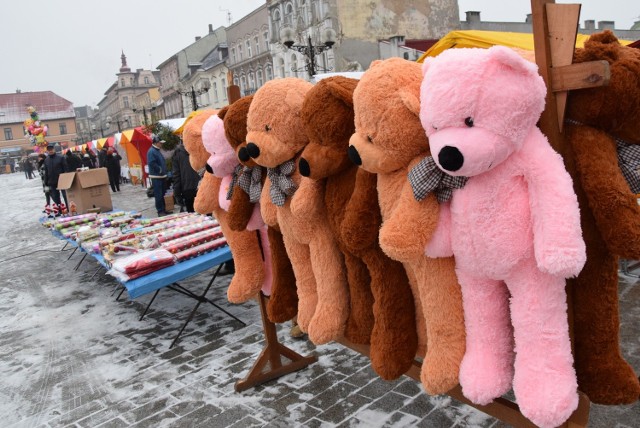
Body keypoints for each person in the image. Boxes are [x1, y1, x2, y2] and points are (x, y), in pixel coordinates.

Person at [172, 141, 201, 213]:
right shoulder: (199, 149)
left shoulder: (177, 153)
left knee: (191, 216)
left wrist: (177, 194)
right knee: (205, 218)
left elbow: (176, 176)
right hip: (200, 186)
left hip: (187, 189)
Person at [147, 135, 169, 216]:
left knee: (163, 194)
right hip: (156, 177)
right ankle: (160, 211)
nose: (161, 144)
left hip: (161, 176)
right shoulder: (151, 151)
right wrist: (160, 169)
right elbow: (151, 163)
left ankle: (163, 209)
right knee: (158, 194)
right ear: (156, 143)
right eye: (160, 143)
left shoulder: (156, 150)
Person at [43, 143, 67, 208]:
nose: (50, 151)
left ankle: (68, 208)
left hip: (61, 180)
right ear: (47, 151)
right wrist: (46, 181)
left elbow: (65, 168)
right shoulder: (46, 160)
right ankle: (59, 209)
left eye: (51, 149)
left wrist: (66, 178)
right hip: (52, 181)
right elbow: (46, 171)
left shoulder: (61, 157)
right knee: (55, 197)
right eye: (49, 150)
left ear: (54, 149)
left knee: (65, 195)